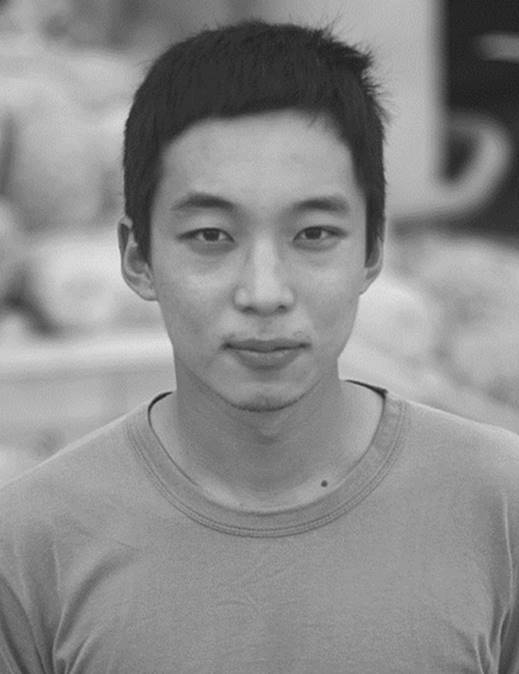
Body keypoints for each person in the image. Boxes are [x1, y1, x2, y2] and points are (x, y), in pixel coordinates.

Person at [0, 20, 518, 673]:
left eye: (314, 234)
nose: (265, 292)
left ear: (372, 250)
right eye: (211, 236)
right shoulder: (31, 541)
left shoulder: (498, 504)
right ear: (136, 257)